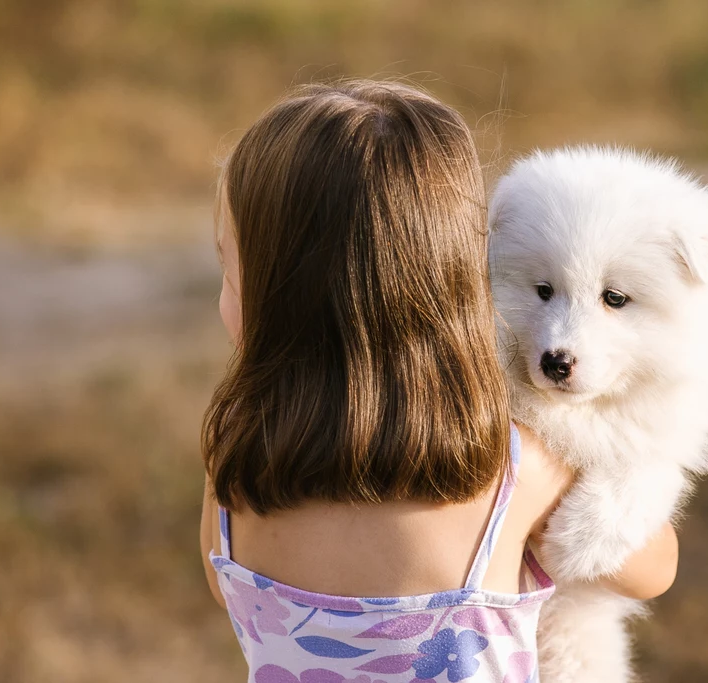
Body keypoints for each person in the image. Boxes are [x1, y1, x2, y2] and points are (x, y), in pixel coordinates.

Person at [198, 79, 678, 683]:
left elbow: (225, 588)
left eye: (227, 266)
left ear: (274, 295)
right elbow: (652, 569)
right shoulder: (516, 469)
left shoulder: (235, 460)